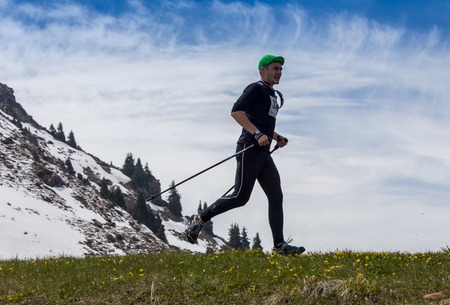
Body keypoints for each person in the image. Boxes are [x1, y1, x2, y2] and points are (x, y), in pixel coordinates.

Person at [186, 54, 305, 255]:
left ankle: (279, 246)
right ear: (263, 71)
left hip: (263, 152)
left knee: (276, 195)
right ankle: (201, 219)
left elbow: (261, 122)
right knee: (241, 197)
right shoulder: (255, 88)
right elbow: (236, 112)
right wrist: (257, 134)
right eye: (275, 68)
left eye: (281, 69)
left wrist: (276, 136)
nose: (279, 72)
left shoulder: (272, 95)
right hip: (249, 148)